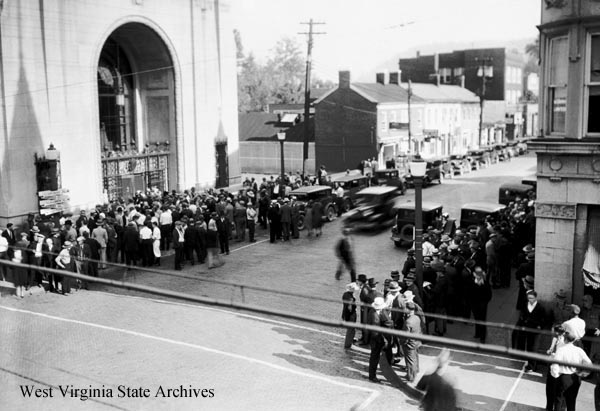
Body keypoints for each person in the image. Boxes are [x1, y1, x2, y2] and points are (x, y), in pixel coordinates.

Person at [549, 332, 593, 411]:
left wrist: (555, 376)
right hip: (575, 378)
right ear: (573, 340)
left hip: (563, 377)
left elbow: (555, 366)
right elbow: (589, 363)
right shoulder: (579, 350)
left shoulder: (561, 350)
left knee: (558, 401)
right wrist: (582, 373)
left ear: (565, 339)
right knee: (571, 402)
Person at [517, 290, 546, 372]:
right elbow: (521, 315)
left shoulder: (540, 308)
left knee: (534, 348)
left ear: (536, 298)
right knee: (529, 347)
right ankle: (530, 363)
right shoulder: (525, 305)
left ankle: (532, 366)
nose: (530, 300)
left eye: (532, 298)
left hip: (535, 331)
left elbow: (544, 320)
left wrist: (539, 327)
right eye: (529, 298)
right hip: (526, 329)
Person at [367, 296, 394, 383]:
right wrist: (382, 340)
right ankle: (372, 376)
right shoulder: (375, 316)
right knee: (374, 357)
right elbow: (375, 332)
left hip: (377, 338)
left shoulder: (374, 311)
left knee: (376, 356)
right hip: (376, 340)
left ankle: (374, 373)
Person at [468, 266, 493, 343]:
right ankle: (478, 333)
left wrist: (484, 302)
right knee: (478, 319)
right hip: (477, 305)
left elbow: (489, 295)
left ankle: (482, 336)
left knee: (481, 320)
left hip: (480, 305)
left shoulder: (482, 284)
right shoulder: (482, 283)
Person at [402, 301, 422, 382]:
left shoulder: (408, 322)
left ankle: (411, 377)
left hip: (410, 344)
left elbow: (406, 336)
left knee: (410, 361)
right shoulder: (417, 318)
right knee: (415, 358)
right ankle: (416, 370)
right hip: (417, 342)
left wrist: (403, 343)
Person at [342, 283, 359, 349]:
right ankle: (348, 344)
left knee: (350, 329)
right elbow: (349, 307)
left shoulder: (345, 294)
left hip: (347, 314)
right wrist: (352, 310)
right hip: (351, 315)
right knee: (351, 330)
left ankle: (349, 342)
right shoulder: (350, 297)